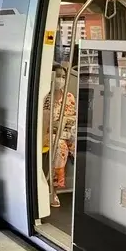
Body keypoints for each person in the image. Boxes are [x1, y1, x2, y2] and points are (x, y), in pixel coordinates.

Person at [42, 64, 76, 207]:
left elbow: (72, 117)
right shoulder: (45, 96)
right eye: (58, 77)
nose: (60, 80)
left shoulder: (69, 97)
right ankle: (53, 190)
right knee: (60, 148)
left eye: (63, 77)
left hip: (65, 132)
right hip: (47, 134)